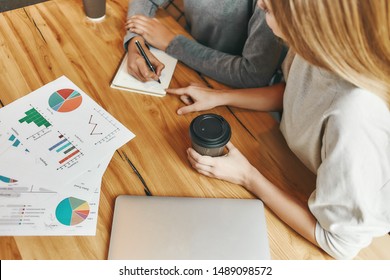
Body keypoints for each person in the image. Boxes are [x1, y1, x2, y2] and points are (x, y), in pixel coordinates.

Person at [166, 0, 390, 260]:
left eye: (273, 5)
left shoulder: (355, 114)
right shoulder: (311, 46)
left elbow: (339, 244)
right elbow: (292, 91)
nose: (259, 3)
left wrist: (247, 176)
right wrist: (220, 97)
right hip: (302, 171)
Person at [124, 0, 285, 88]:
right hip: (189, 66)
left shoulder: (270, 6)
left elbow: (253, 74)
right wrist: (135, 40)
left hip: (232, 89)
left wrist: (173, 43)